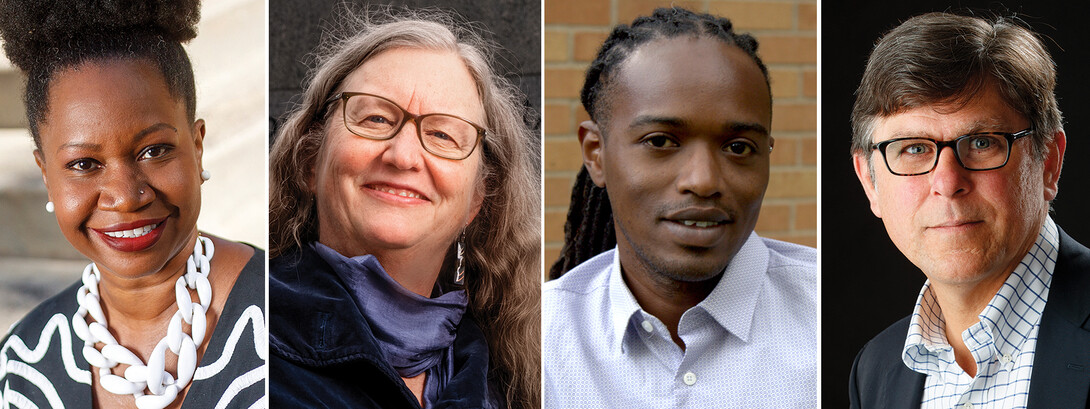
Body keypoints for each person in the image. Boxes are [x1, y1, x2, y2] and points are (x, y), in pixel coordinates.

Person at [267, 8, 540, 409]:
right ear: (310, 159)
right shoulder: (250, 348)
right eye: (376, 118)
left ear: (478, 199)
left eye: (443, 134)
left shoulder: (514, 380)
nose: (404, 155)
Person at [543, 8, 817, 407]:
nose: (703, 180)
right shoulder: (541, 339)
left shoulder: (822, 319)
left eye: (738, 148)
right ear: (596, 153)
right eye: (660, 141)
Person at [0, 1, 267, 408]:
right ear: (45, 175)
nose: (126, 196)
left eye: (155, 150)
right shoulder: (21, 367)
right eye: (84, 164)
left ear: (196, 148)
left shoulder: (289, 318)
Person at [848, 12, 1090, 408]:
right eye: (913, 149)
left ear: (1048, 162)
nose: (947, 182)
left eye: (981, 143)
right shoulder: (874, 371)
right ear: (870, 181)